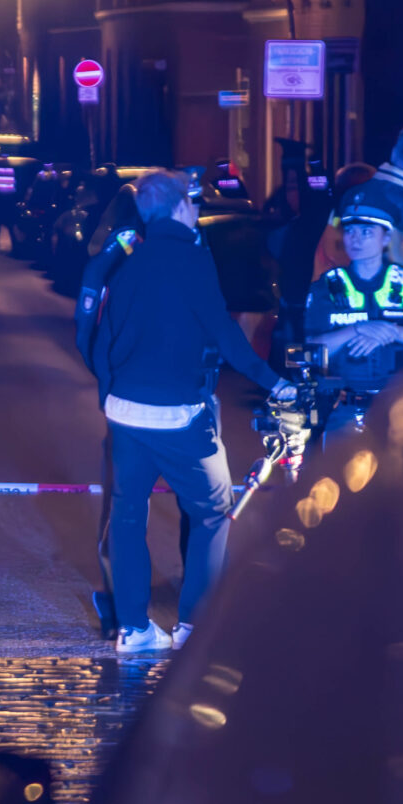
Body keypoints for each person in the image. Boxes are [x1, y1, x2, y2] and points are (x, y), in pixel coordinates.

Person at [82, 169, 297, 657]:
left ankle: (133, 630)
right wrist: (275, 383)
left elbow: (100, 337)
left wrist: (110, 395)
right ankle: (194, 627)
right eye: (194, 204)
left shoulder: (124, 260)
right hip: (178, 414)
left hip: (124, 412)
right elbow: (225, 337)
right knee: (213, 512)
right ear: (181, 207)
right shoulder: (193, 258)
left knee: (128, 515)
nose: (197, 211)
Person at [303, 190, 403, 417]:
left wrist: (392, 331)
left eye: (366, 232)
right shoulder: (325, 287)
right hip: (341, 406)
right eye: (349, 231)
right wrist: (356, 329)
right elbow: (308, 349)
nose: (355, 240)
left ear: (386, 238)